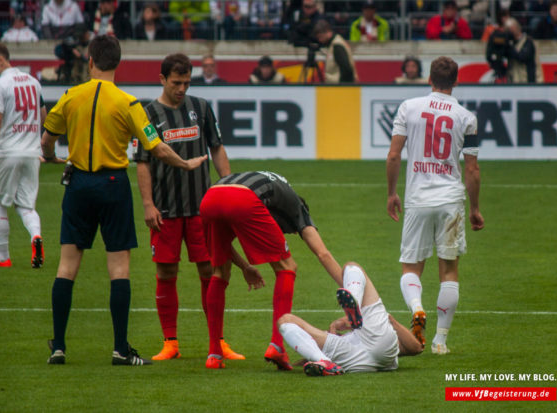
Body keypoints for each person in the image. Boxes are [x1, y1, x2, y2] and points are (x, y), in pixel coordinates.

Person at [41, 35, 208, 366]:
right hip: (113, 183)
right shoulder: (128, 103)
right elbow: (156, 146)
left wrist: (52, 157)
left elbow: (47, 140)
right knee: (118, 268)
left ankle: (58, 346)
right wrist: (185, 163)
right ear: (118, 64)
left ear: (90, 61)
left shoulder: (70, 97)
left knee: (66, 266)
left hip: (78, 183)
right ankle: (120, 349)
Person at [133, 53, 241, 362]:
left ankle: (217, 341)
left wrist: (228, 186)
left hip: (202, 208)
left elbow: (216, 148)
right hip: (165, 209)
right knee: (166, 271)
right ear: (162, 79)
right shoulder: (149, 113)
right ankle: (170, 342)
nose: (182, 89)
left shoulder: (202, 108)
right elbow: (142, 163)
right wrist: (148, 204)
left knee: (210, 269)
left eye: (187, 83)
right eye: (176, 83)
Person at [386, 56, 484, 355]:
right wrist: (475, 209)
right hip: (450, 199)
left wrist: (392, 193)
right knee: (449, 272)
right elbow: (472, 169)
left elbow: (393, 155)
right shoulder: (466, 117)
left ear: (429, 79)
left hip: (417, 198)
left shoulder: (409, 107)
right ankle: (440, 341)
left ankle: (417, 308)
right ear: (455, 81)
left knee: (410, 267)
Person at [200, 171, 343, 370]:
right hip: (242, 198)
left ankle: (214, 354)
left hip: (210, 198)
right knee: (287, 267)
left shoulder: (274, 195)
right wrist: (349, 289)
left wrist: (245, 266)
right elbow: (323, 254)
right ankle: (277, 346)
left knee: (219, 272)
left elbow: (223, 248)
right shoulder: (298, 209)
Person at [278, 262, 423, 376]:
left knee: (284, 320)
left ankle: (323, 361)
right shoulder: (382, 339)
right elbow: (416, 348)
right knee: (351, 266)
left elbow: (415, 348)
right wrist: (389, 320)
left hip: (351, 360)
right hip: (376, 351)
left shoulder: (346, 336)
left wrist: (386, 320)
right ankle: (355, 303)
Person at [0, 41, 46, 269]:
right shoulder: (34, 82)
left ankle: (3, 256)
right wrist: (39, 144)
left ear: (1, 60)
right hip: (31, 153)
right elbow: (43, 113)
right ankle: (35, 236)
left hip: (7, 152)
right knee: (26, 206)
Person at [313, 19, 357, 84]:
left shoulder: (337, 46)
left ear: (327, 32)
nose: (320, 40)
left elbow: (346, 69)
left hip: (339, 88)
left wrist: (343, 87)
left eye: (320, 37)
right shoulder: (335, 43)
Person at [505, 17, 543, 83]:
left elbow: (522, 57)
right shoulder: (511, 43)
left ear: (517, 28)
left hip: (527, 81)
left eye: (510, 29)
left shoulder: (528, 42)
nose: (509, 32)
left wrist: (509, 46)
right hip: (513, 81)